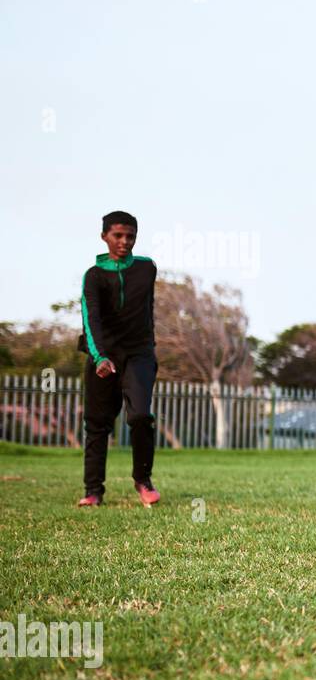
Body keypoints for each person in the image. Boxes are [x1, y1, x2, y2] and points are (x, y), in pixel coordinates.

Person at [77, 210, 161, 508]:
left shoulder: (146, 268)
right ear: (104, 237)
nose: (125, 241)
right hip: (103, 356)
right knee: (98, 424)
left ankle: (143, 479)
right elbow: (91, 320)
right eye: (118, 236)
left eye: (131, 236)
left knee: (140, 416)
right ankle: (93, 490)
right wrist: (99, 357)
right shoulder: (94, 276)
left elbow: (144, 312)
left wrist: (148, 349)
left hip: (138, 355)